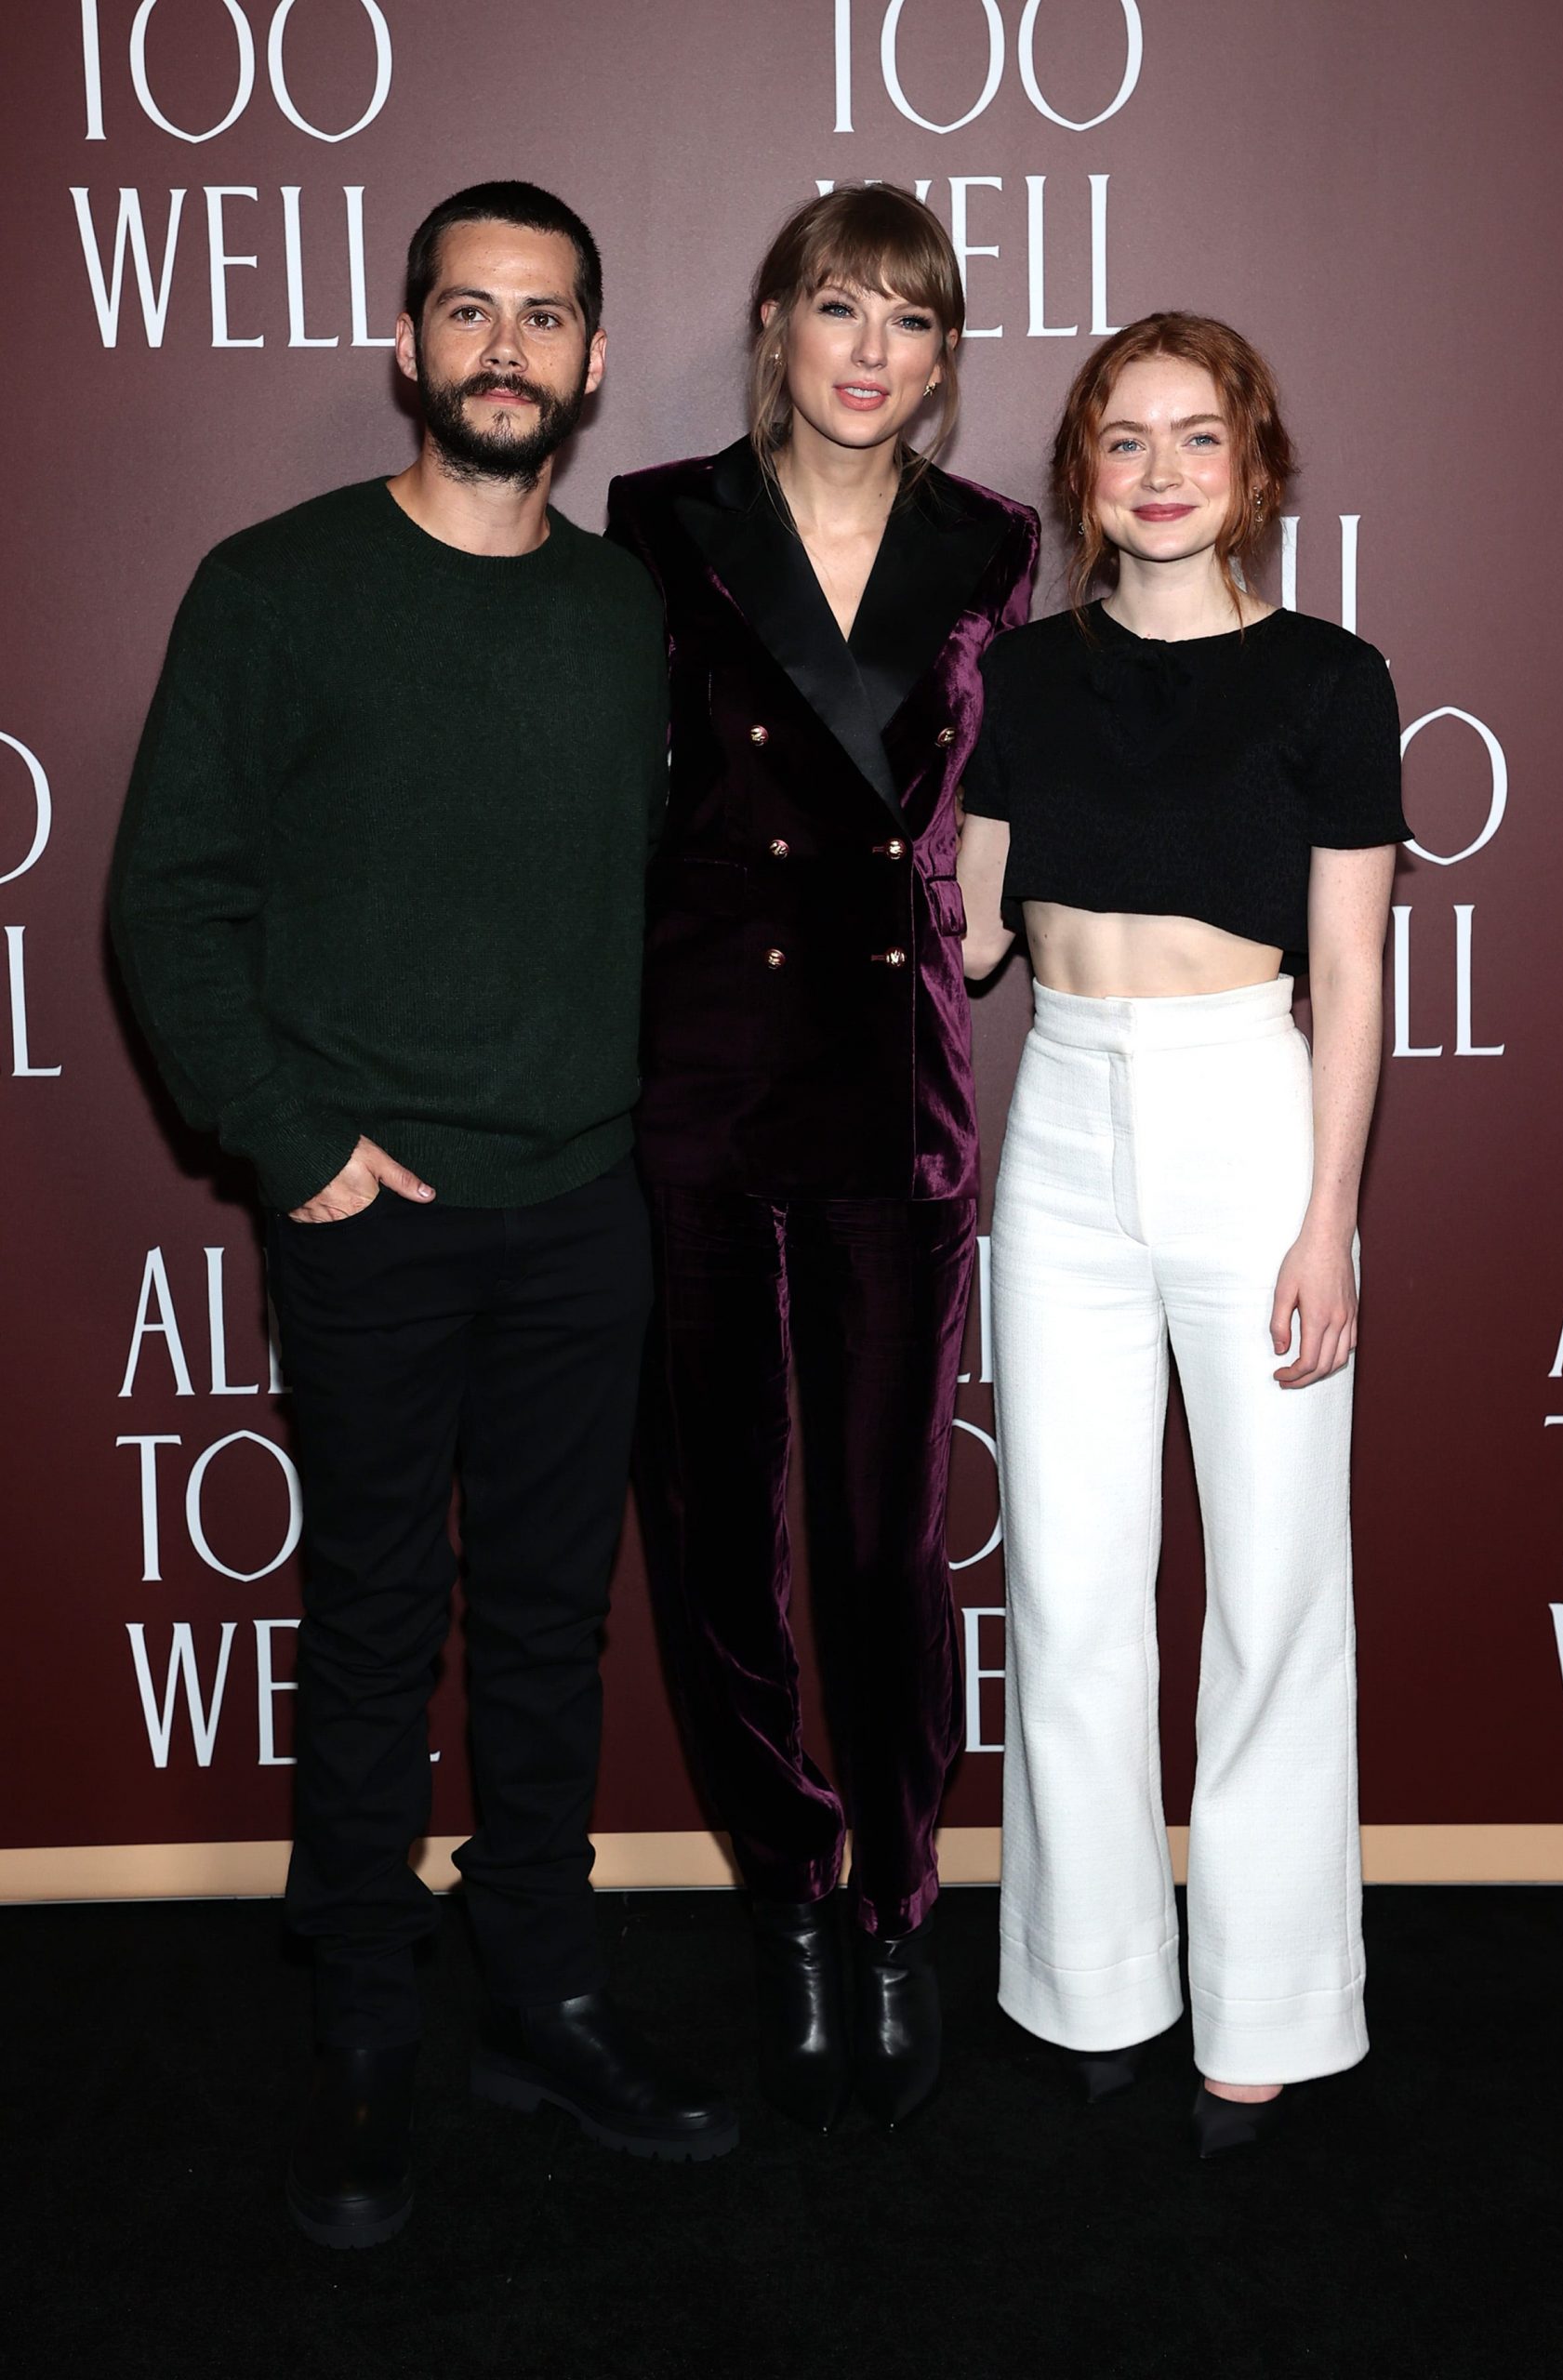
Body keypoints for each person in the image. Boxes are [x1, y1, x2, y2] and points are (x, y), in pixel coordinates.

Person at [111, 179, 737, 2251]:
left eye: (541, 316)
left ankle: (538, 1992)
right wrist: (288, 1141)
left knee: (552, 1630)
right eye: (465, 309)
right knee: (377, 1623)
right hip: (366, 1208)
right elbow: (165, 902)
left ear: (586, 361)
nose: (502, 347)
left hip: (582, 1210)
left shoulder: (622, 610)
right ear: (405, 343)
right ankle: (369, 2024)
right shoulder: (272, 586)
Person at [607, 184, 1040, 2132]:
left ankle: (891, 1907)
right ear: (774, 321)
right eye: (839, 307)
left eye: (912, 321)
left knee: (878, 1537)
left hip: (891, 1083)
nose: (871, 349)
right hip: (695, 1079)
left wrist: (1004, 914)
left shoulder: (994, 548)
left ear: (944, 361)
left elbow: (1022, 790)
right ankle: (783, 1892)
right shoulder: (661, 524)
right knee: (712, 1530)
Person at [958, 313, 1406, 2155]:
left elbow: (1355, 968)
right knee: (1066, 1582)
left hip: (1246, 1117)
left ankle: (1268, 2002)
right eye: (1120, 440)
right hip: (1057, 1121)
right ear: (1079, 474)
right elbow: (962, 935)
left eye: (1193, 438)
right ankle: (1090, 1978)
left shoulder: (1327, 676)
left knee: (1273, 1587)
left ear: (1252, 467)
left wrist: (1326, 1215)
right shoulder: (1021, 677)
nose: (1156, 472)